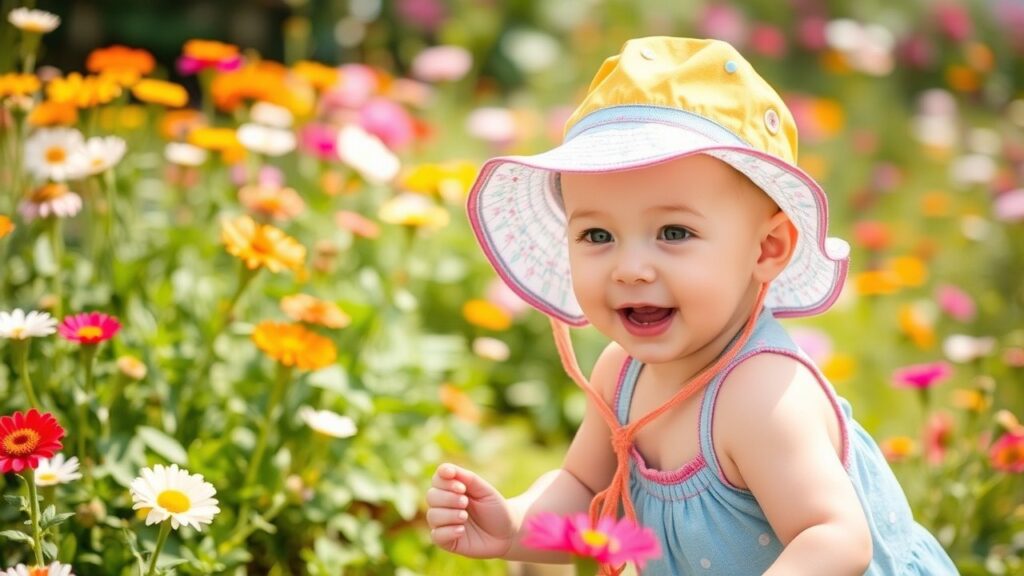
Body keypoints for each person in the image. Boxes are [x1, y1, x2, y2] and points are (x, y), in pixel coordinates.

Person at [426, 37, 958, 575]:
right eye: (596, 234)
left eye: (673, 231)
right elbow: (585, 488)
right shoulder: (622, 374)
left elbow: (834, 538)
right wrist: (514, 525)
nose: (629, 267)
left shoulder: (758, 395)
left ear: (766, 248)